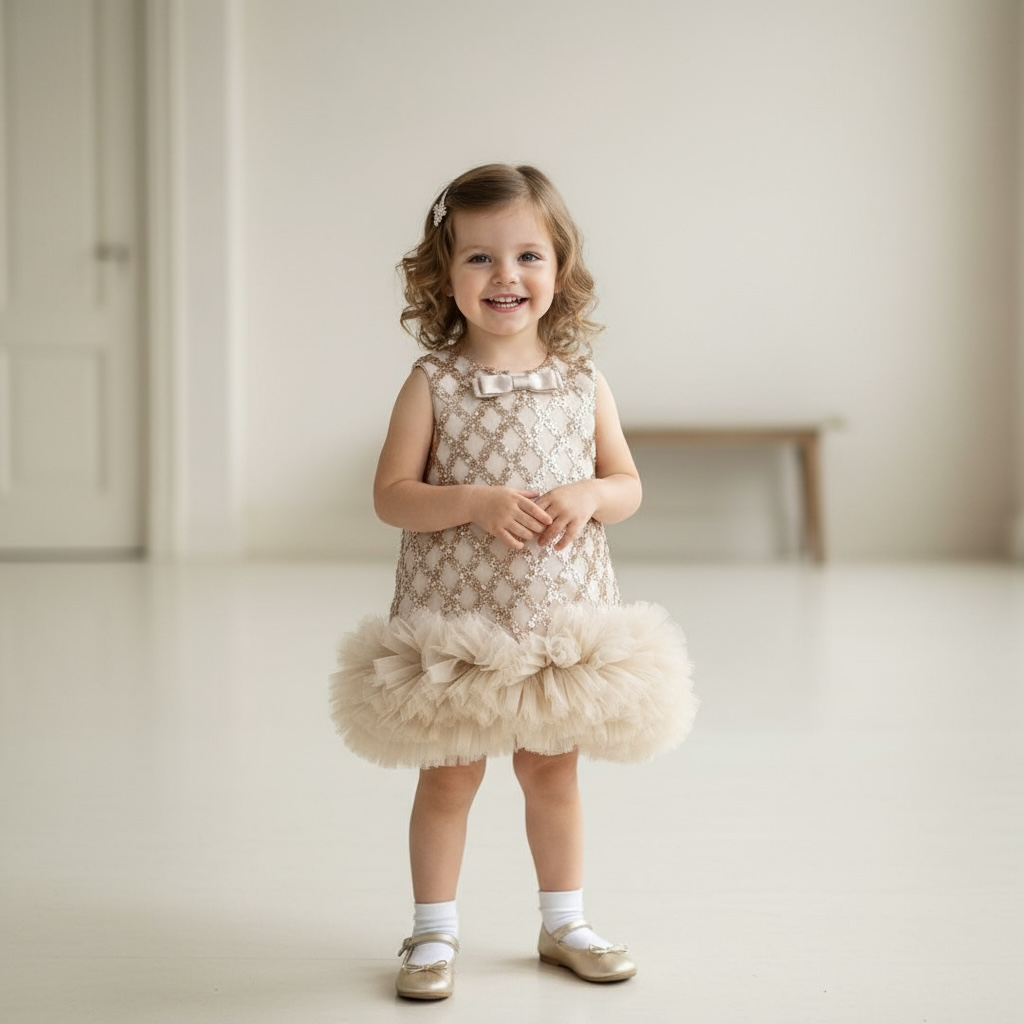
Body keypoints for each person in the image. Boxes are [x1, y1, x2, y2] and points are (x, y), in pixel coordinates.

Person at [330, 163, 697, 1001]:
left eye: (528, 256)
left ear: (558, 269)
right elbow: (392, 497)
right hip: (460, 624)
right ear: (444, 276)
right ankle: (432, 933)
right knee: (450, 777)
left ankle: (563, 920)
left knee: (552, 773)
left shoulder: (582, 381)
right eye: (480, 259)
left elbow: (629, 484)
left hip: (555, 623)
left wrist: (592, 493)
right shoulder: (435, 383)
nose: (506, 277)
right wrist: (472, 501)